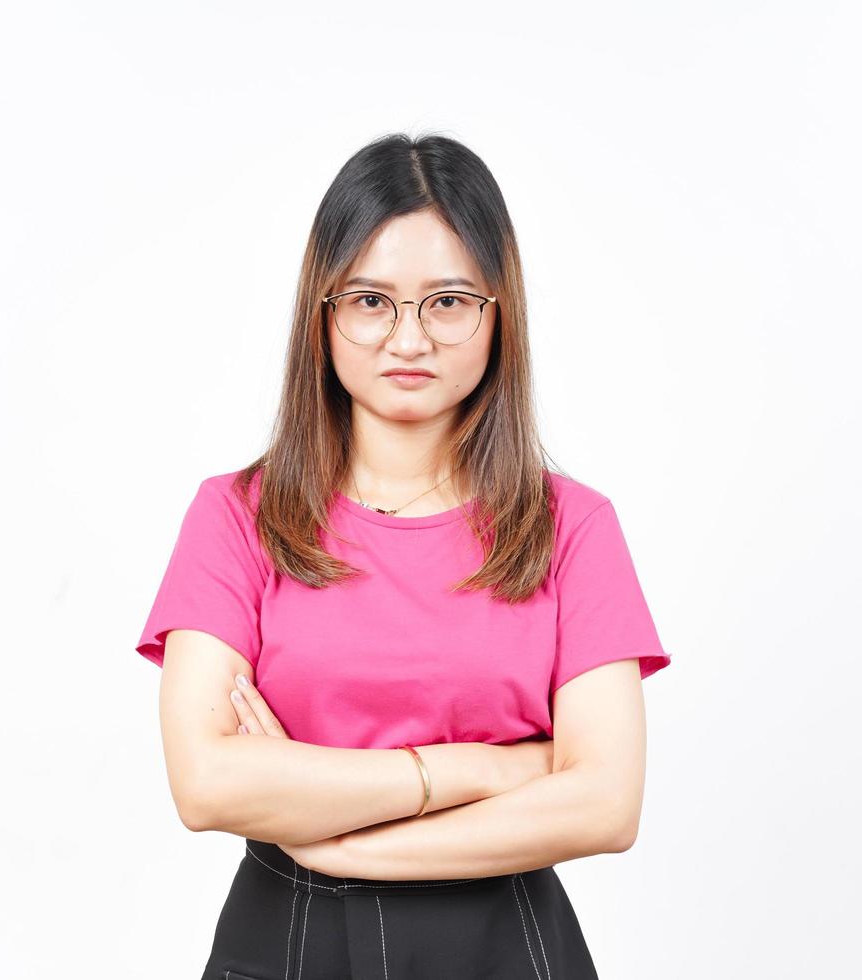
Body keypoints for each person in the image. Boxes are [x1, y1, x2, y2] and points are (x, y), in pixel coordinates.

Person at [134, 131, 673, 980]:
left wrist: (341, 844)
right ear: (324, 310)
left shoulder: (572, 526)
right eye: (371, 301)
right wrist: (477, 769)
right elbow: (207, 783)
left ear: (501, 313)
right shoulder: (238, 516)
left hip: (505, 945)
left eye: (449, 301)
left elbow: (605, 804)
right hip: (288, 943)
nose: (409, 340)